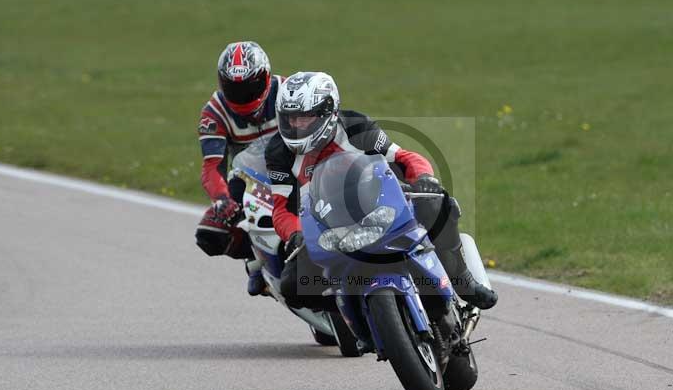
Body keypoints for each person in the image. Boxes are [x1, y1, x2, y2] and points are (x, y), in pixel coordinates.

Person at [265, 71, 498, 311]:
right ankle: (348, 311)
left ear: (328, 111)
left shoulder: (356, 126)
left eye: (305, 117)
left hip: (378, 204)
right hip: (327, 223)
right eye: (290, 118)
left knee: (438, 204)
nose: (296, 125)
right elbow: (282, 207)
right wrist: (295, 235)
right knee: (293, 286)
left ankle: (462, 281)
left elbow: (404, 157)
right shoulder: (278, 152)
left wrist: (424, 178)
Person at [194, 41, 285, 295]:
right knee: (211, 233)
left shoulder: (289, 91)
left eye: (251, 86)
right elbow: (212, 167)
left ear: (265, 78)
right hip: (250, 178)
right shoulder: (214, 113)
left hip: (297, 166)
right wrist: (222, 200)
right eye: (234, 88)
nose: (243, 95)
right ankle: (258, 263)